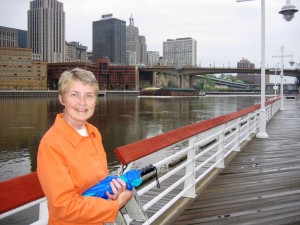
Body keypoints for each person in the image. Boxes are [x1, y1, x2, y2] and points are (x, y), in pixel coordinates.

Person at [37, 68, 133, 225]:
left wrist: (113, 192)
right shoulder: (52, 144)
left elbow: (98, 183)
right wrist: (116, 205)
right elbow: (65, 208)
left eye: (88, 96)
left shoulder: (93, 133)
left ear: (95, 100)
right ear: (61, 98)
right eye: (74, 95)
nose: (82, 102)